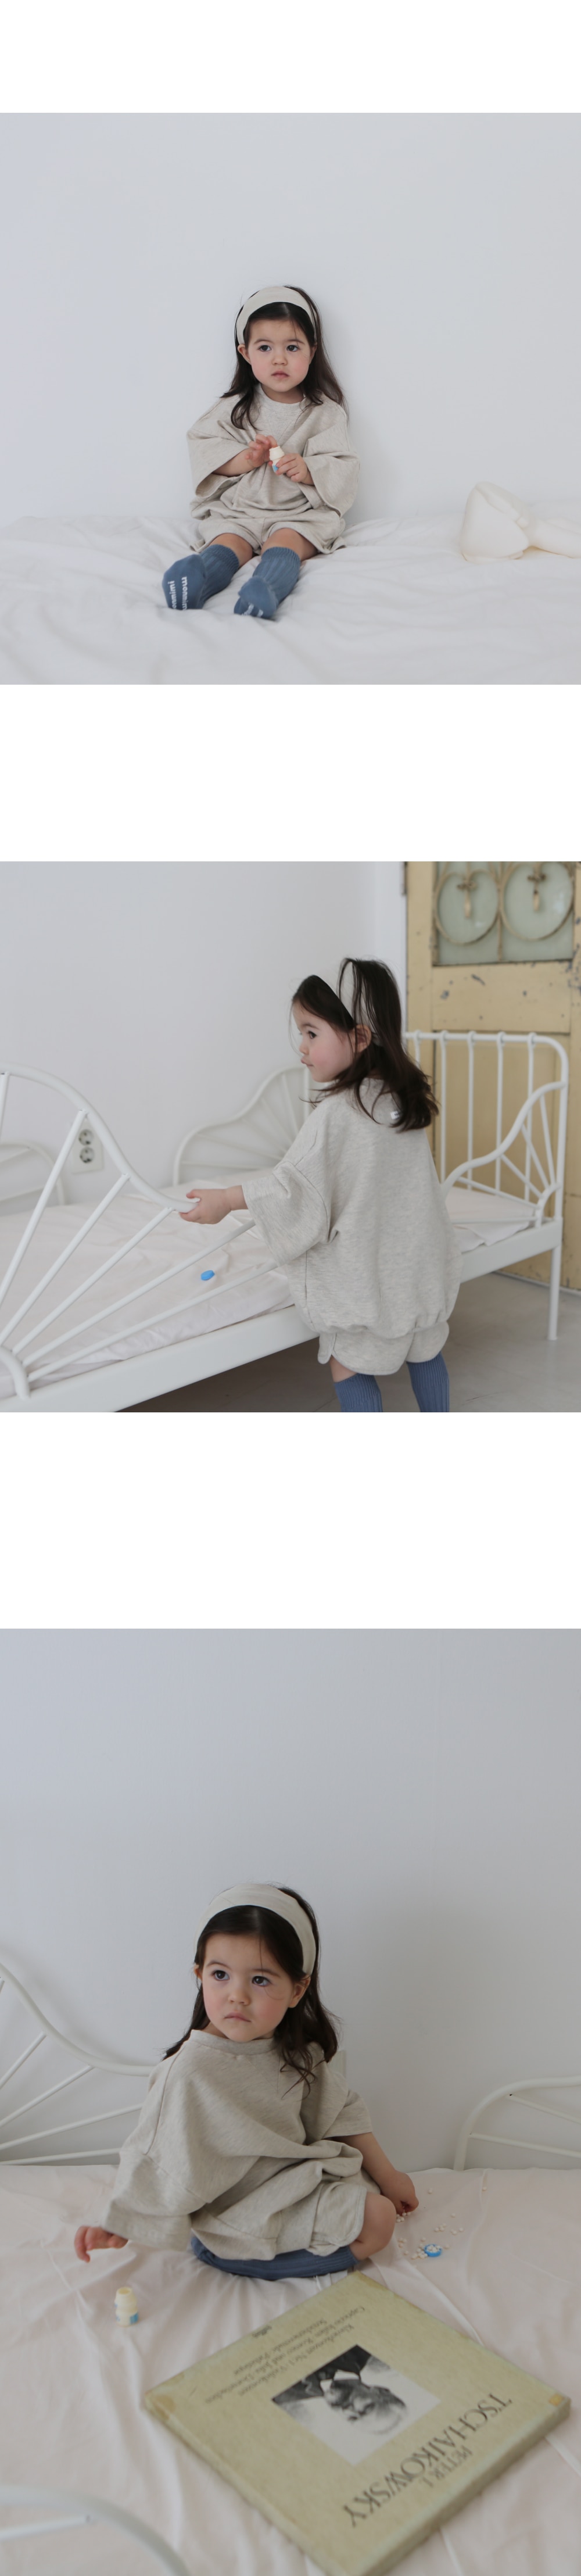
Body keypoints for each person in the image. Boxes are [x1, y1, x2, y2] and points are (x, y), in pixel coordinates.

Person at [74, 1885, 418, 2278]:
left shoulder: (295, 2052)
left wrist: (390, 2177)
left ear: (297, 1990)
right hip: (237, 2212)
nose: (237, 1995)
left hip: (292, 2186)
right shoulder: (190, 2071)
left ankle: (262, 2246)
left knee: (370, 2193)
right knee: (378, 2219)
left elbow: (341, 2113)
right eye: (220, 1975)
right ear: (200, 1975)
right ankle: (231, 2256)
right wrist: (120, 2225)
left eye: (260, 1980)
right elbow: (155, 2156)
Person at [180, 960, 462, 1412]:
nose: (302, 1047)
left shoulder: (337, 1115)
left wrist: (228, 1199)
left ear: (360, 1037)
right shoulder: (399, 1101)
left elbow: (294, 1191)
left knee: (346, 1362)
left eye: (312, 1033)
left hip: (370, 1279)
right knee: (426, 1350)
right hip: (419, 1269)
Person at [162, 284, 359, 622]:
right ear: (245, 353)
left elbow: (343, 466)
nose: (279, 359)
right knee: (228, 543)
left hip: (297, 515)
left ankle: (265, 588)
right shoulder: (233, 408)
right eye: (265, 347)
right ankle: (197, 579)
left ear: (312, 351)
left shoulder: (326, 414)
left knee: (286, 542)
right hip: (240, 512)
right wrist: (246, 459)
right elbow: (205, 448)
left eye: (292, 347)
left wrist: (308, 468)